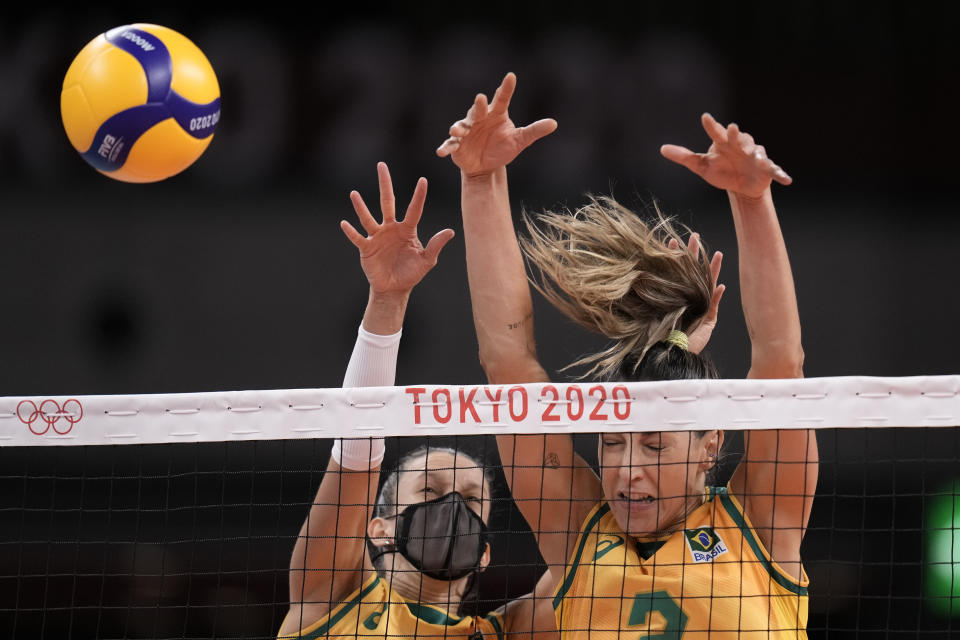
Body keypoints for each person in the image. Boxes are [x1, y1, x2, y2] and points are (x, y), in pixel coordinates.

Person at [437, 72, 818, 638]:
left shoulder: (760, 526)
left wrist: (751, 199)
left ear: (709, 445)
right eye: (611, 442)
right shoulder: (579, 533)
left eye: (655, 444)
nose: (626, 469)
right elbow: (509, 365)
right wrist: (480, 178)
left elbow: (780, 363)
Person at [278, 162, 556, 640]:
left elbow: (598, 549)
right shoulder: (332, 595)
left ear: (486, 551)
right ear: (380, 529)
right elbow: (356, 452)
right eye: (428, 491)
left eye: (472, 500)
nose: (451, 506)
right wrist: (387, 299)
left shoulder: (510, 632)